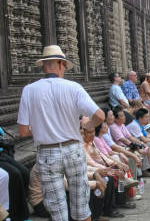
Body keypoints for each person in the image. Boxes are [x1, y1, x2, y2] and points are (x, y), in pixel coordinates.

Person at [17, 45, 105, 221]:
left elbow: (23, 131)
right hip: (73, 149)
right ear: (60, 64)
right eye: (64, 66)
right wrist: (88, 124)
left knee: (58, 211)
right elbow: (100, 116)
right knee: (81, 206)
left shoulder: (29, 90)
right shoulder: (73, 87)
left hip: (48, 153)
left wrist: (41, 126)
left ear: (43, 66)